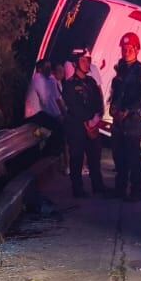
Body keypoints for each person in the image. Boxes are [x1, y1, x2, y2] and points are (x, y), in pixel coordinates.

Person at [108, 32, 141, 201]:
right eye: (124, 48)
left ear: (137, 49)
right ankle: (119, 189)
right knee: (118, 155)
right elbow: (116, 93)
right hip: (118, 120)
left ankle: (136, 191)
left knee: (133, 156)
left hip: (133, 121)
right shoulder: (120, 69)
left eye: (129, 48)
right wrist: (113, 108)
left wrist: (127, 110)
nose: (126, 51)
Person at [62, 50, 106, 198]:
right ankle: (78, 189)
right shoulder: (69, 85)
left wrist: (96, 118)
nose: (87, 64)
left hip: (92, 125)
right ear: (75, 63)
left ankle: (98, 186)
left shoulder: (91, 82)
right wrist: (87, 120)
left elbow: (98, 101)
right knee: (77, 158)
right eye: (83, 61)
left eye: (88, 60)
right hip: (77, 127)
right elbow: (74, 106)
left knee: (94, 158)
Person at [23, 60, 65, 150]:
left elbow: (56, 99)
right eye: (46, 67)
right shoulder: (38, 79)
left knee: (61, 126)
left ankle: (53, 153)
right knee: (58, 128)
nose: (49, 70)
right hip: (34, 116)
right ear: (40, 69)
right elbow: (46, 102)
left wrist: (62, 114)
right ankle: (49, 153)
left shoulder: (49, 80)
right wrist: (58, 116)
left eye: (50, 67)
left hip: (41, 114)